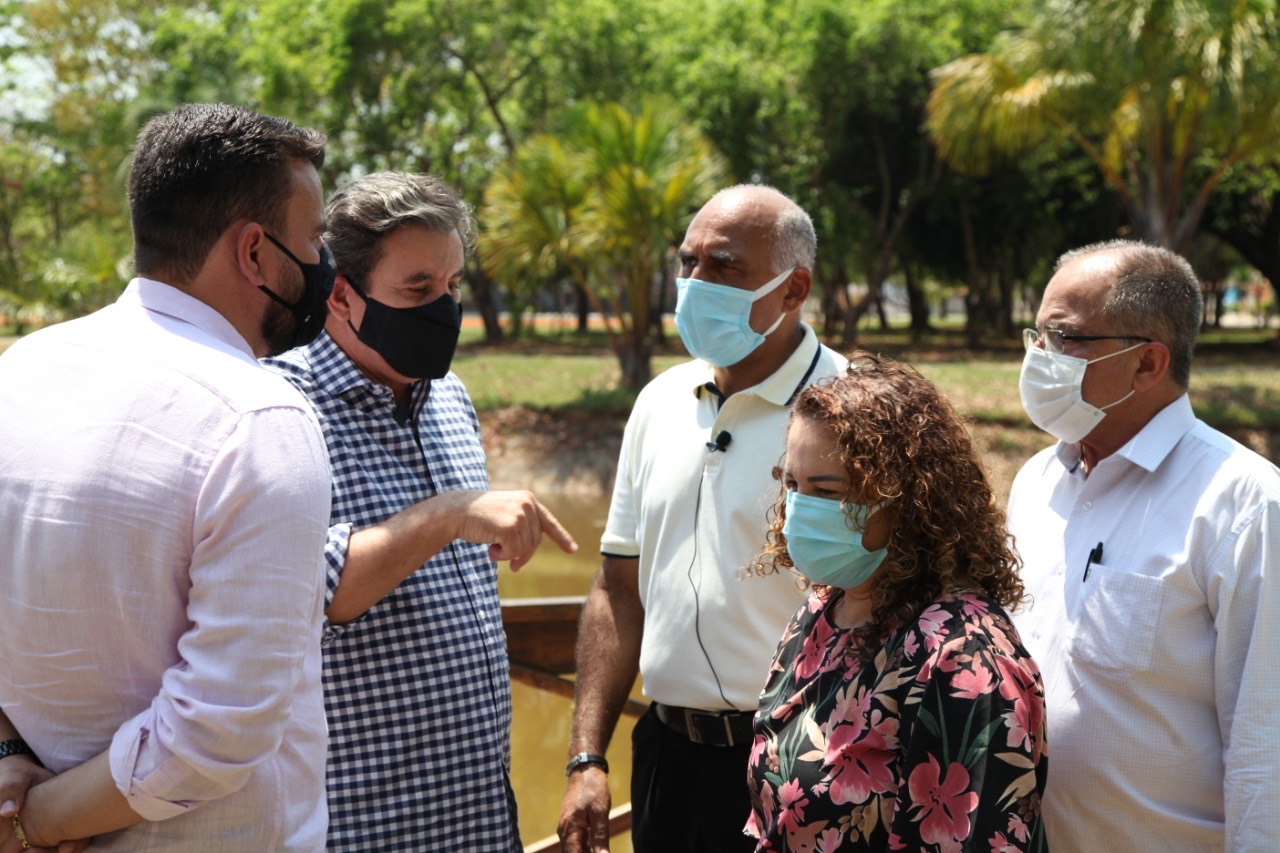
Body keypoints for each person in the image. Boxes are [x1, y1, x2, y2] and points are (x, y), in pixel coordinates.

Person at [0, 103, 335, 849]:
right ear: (254, 252)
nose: (322, 265)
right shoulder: (260, 421)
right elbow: (218, 730)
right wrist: (40, 821)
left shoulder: (21, 370)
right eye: (313, 240)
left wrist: (9, 759)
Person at [262, 171, 577, 851]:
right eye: (418, 289)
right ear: (342, 294)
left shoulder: (449, 396)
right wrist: (453, 513)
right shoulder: (281, 409)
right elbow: (313, 587)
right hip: (362, 827)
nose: (444, 308)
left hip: (479, 819)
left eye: (453, 285)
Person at [558, 184, 848, 852]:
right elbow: (616, 588)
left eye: (724, 267)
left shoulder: (850, 408)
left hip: (803, 758)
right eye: (687, 263)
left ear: (792, 287)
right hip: (665, 756)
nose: (695, 282)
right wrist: (586, 757)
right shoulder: (659, 401)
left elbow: (891, 603)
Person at [1007, 240, 1280, 851]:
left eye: (1065, 338)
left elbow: (1265, 735)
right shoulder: (1036, 482)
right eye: (1037, 335)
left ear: (1147, 365)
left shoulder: (1243, 504)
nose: (1037, 357)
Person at [746, 356, 1048, 851]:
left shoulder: (964, 663)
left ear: (907, 502)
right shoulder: (821, 612)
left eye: (827, 491)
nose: (798, 510)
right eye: (793, 485)